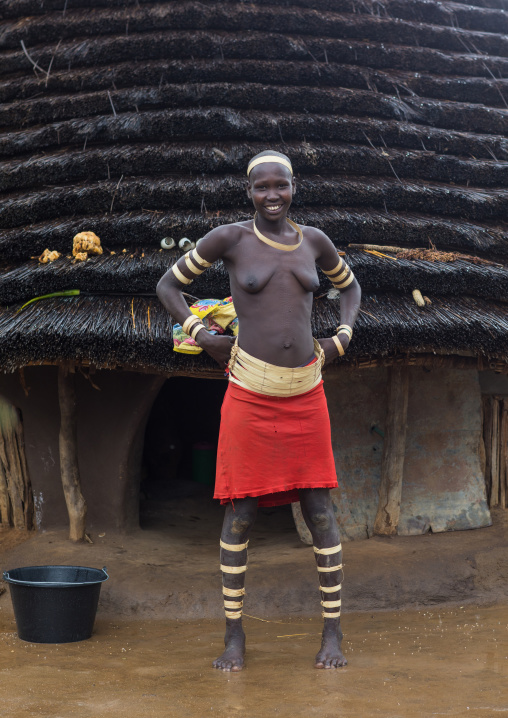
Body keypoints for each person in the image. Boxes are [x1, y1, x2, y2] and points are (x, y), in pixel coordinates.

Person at [156, 150, 362, 671]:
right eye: (261, 187)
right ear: (248, 191)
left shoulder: (314, 241)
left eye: (281, 186)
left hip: (307, 393)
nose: (272, 195)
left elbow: (350, 287)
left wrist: (342, 335)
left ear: (295, 186)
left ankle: (333, 636)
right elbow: (168, 286)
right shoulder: (230, 239)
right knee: (241, 514)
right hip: (249, 393)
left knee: (319, 513)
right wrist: (200, 334)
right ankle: (234, 638)